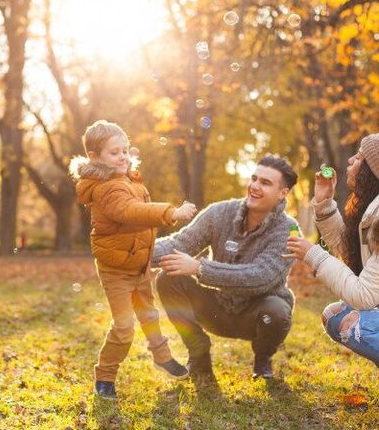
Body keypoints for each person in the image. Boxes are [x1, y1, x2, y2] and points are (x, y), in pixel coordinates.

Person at [69, 120, 197, 399]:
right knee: (125, 327)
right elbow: (130, 211)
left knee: (149, 314)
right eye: (115, 152)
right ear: (94, 157)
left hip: (137, 264)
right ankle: (105, 376)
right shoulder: (106, 188)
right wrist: (171, 213)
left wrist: (127, 161)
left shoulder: (122, 178)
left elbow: (130, 186)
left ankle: (161, 356)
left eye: (125, 150)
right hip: (116, 270)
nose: (123, 157)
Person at [152, 156, 298, 383]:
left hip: (256, 316)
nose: (255, 186)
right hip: (215, 310)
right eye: (254, 179)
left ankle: (263, 357)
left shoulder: (290, 230)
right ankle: (198, 353)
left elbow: (261, 277)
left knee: (277, 312)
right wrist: (130, 252)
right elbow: (179, 243)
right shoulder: (219, 212)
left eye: (266, 183)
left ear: (283, 193)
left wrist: (200, 268)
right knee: (168, 278)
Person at [284, 134, 379, 366]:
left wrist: (313, 254)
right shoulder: (372, 210)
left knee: (355, 325)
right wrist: (324, 204)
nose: (349, 162)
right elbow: (350, 255)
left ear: (372, 172)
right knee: (335, 315)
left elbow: (364, 296)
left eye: (358, 158)